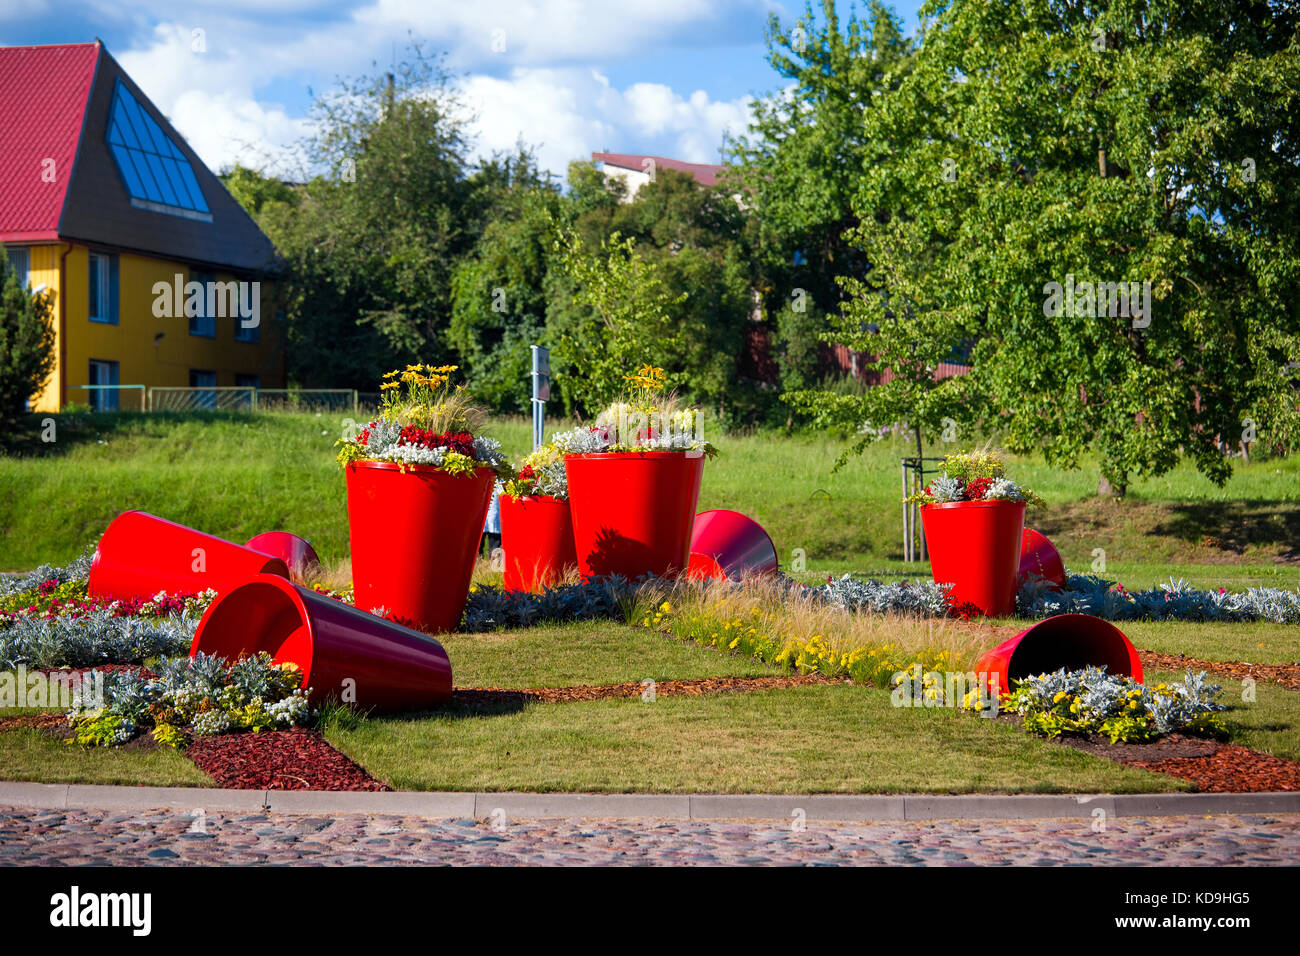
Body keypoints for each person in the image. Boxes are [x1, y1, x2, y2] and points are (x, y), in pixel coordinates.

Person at [482, 487, 501, 557]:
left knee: (495, 547)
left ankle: (492, 566)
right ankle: (478, 564)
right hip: (481, 511)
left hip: (496, 513)